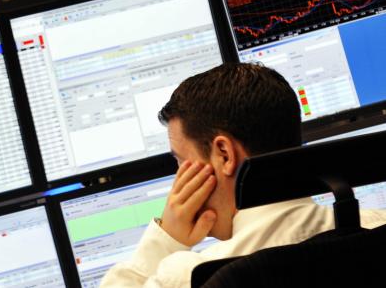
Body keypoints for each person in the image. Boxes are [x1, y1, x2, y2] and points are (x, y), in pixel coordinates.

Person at [100, 62, 386, 287]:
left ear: (224, 154)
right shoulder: (377, 228)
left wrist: (166, 238)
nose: (178, 181)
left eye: (182, 162)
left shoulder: (190, 276)